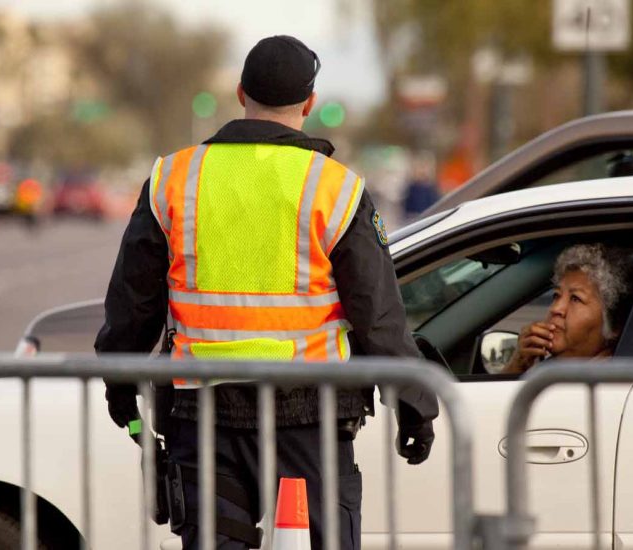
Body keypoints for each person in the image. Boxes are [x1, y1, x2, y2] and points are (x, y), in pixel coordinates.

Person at [95, 35, 438, 550]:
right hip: (310, 423)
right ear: (309, 103)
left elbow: (133, 303)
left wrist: (121, 388)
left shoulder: (173, 178)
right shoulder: (335, 187)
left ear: (239, 94)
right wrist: (413, 402)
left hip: (203, 418)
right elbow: (377, 314)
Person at [503, 244, 633, 374]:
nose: (556, 309)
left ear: (615, 325)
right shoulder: (554, 370)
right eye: (556, 295)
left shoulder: (610, 384)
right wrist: (518, 364)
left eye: (575, 299)